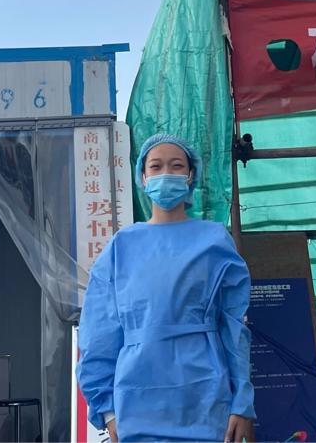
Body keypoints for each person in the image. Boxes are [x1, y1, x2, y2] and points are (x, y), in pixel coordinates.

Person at [76, 133, 255, 443]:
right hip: (137, 400)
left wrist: (241, 401)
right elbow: (98, 335)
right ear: (143, 177)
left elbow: (234, 328)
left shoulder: (214, 241)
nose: (166, 174)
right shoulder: (121, 247)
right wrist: (107, 410)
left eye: (177, 166)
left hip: (205, 397)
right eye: (156, 167)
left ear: (191, 175)